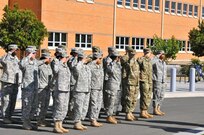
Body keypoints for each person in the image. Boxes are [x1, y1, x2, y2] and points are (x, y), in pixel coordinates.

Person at [20, 46, 49, 130]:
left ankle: (29, 121)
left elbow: (40, 62)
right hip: (27, 89)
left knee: (34, 106)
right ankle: (25, 123)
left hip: (35, 88)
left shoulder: (35, 62)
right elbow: (21, 65)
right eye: (34, 53)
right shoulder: (25, 61)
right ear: (29, 53)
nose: (35, 54)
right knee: (27, 105)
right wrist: (28, 56)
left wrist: (46, 60)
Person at [0, 44, 22, 124]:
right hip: (7, 82)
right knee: (6, 100)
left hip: (15, 82)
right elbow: (2, 61)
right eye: (16, 50)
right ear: (12, 50)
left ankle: (10, 116)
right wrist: (9, 53)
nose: (17, 51)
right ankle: (5, 117)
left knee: (13, 100)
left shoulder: (15, 58)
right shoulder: (6, 57)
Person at [72, 51, 91, 130]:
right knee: (78, 107)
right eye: (85, 58)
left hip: (86, 89)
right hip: (79, 89)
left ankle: (80, 122)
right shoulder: (78, 66)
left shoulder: (85, 67)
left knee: (84, 107)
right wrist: (80, 61)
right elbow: (76, 70)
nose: (87, 59)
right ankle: (76, 122)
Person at [53, 51, 71, 133]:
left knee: (64, 107)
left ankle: (60, 124)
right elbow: (55, 71)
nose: (66, 59)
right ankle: (56, 126)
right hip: (60, 89)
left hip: (66, 89)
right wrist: (60, 62)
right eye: (65, 57)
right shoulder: (57, 63)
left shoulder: (65, 66)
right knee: (59, 107)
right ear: (60, 58)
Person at [105, 51, 121, 124]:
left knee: (115, 102)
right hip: (112, 85)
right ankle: (109, 116)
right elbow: (110, 71)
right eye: (118, 57)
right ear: (116, 57)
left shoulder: (117, 64)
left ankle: (112, 115)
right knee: (111, 102)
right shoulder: (111, 65)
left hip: (117, 85)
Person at [37, 50, 53, 127]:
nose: (50, 59)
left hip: (47, 87)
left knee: (46, 105)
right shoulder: (39, 66)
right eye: (49, 58)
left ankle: (42, 119)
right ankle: (39, 120)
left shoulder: (48, 66)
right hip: (41, 87)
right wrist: (43, 61)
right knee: (41, 105)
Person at [123, 48, 140, 121]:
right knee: (129, 98)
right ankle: (127, 114)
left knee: (134, 99)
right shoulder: (128, 62)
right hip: (130, 82)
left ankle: (131, 113)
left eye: (134, 54)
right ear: (129, 54)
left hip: (136, 82)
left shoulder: (135, 62)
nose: (133, 55)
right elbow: (125, 73)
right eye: (131, 54)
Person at [88, 52, 104, 127]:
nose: (101, 60)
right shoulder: (90, 65)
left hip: (99, 87)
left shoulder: (99, 65)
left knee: (98, 104)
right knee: (93, 104)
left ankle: (95, 118)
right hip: (93, 87)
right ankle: (92, 119)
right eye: (100, 58)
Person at [137, 48, 153, 119]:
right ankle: (142, 111)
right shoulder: (140, 60)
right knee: (144, 96)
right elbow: (137, 69)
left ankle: (146, 111)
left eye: (148, 53)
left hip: (149, 80)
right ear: (144, 53)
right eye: (146, 53)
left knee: (148, 96)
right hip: (143, 80)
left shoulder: (149, 61)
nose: (147, 54)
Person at [151, 50, 167, 116]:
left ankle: (158, 108)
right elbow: (150, 63)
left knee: (161, 96)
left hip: (163, 81)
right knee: (156, 95)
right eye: (162, 54)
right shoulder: (155, 61)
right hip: (157, 80)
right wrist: (157, 56)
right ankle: (155, 109)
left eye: (164, 54)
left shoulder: (164, 62)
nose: (164, 55)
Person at [121, 46, 134, 112]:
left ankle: (126, 107)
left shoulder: (132, 58)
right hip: (125, 78)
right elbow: (123, 61)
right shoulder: (125, 57)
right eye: (130, 51)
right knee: (125, 93)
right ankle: (124, 107)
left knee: (128, 94)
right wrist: (127, 55)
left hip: (130, 78)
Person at [67, 48, 78, 118]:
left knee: (74, 98)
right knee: (71, 98)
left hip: (76, 81)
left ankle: (72, 111)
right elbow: (72, 66)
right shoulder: (71, 59)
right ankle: (70, 112)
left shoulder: (75, 59)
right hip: (72, 81)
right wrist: (76, 59)